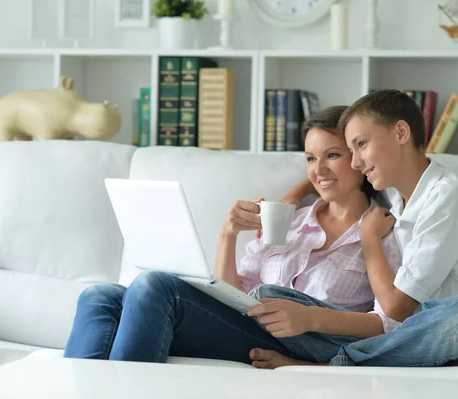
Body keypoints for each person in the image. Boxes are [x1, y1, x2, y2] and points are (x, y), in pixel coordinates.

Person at [63, 106, 402, 365]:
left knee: (155, 287)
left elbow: (389, 325)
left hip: (299, 340)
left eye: (332, 155)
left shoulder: (380, 231)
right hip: (243, 324)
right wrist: (228, 235)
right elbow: (233, 295)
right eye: (311, 158)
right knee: (100, 297)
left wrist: (302, 351)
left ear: (358, 160)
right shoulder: (289, 220)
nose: (318, 169)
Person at [249, 89, 458, 368]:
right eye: (350, 151)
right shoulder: (397, 191)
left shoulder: (445, 199)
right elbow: (329, 177)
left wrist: (369, 240)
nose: (355, 162)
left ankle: (324, 367)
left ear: (400, 133)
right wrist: (293, 198)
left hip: (456, 328)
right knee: (269, 297)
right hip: (405, 336)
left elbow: (397, 309)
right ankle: (394, 359)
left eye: (361, 145)